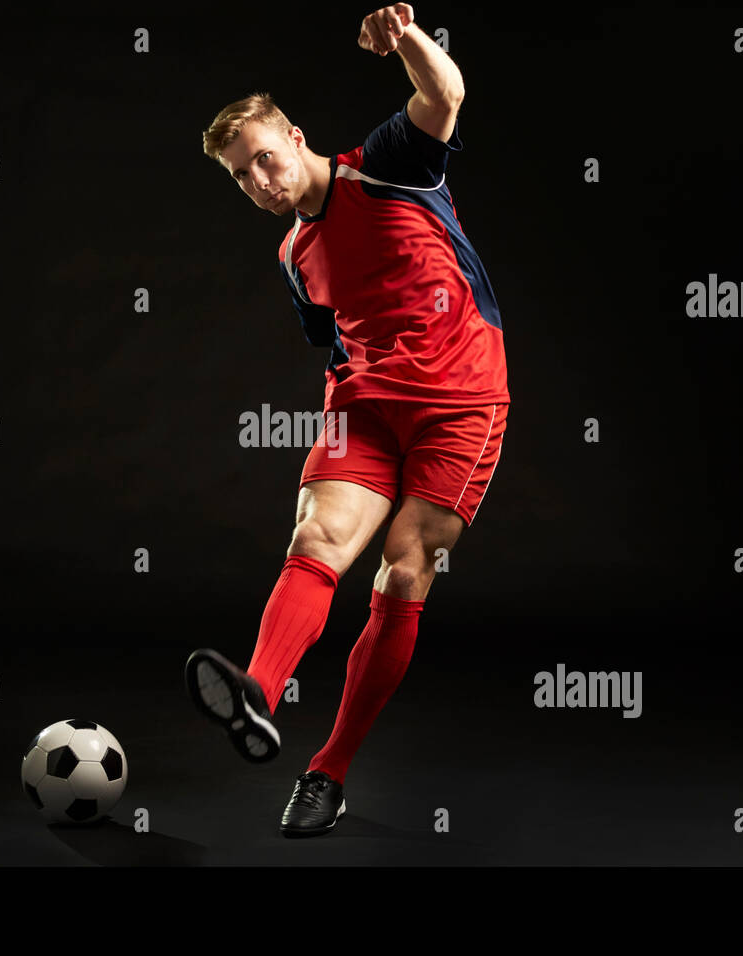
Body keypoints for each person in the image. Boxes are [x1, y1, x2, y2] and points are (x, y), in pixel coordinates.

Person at [187, 4, 509, 838]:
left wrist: (405, 41)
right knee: (315, 540)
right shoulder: (294, 256)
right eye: (241, 176)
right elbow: (335, 346)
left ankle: (327, 771)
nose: (261, 181)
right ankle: (256, 694)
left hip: (461, 403)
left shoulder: (390, 164)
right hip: (363, 406)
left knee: (403, 575)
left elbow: (446, 92)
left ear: (295, 137)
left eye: (264, 158)